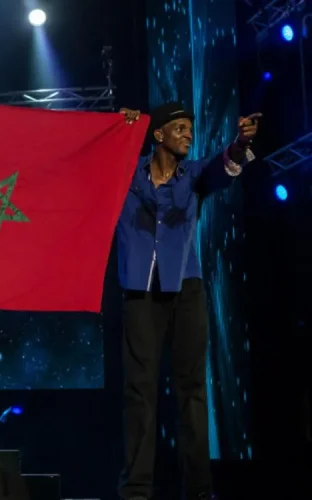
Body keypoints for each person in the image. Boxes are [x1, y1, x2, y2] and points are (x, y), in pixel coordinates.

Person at [115, 103, 261, 500]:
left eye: (190, 129)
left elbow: (222, 167)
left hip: (186, 289)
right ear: (158, 134)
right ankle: (136, 491)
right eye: (179, 128)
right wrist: (121, 124)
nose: (188, 134)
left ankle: (198, 492)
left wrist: (237, 144)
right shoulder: (126, 172)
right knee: (139, 391)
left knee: (191, 388)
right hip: (139, 291)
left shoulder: (193, 175)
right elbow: (97, 156)